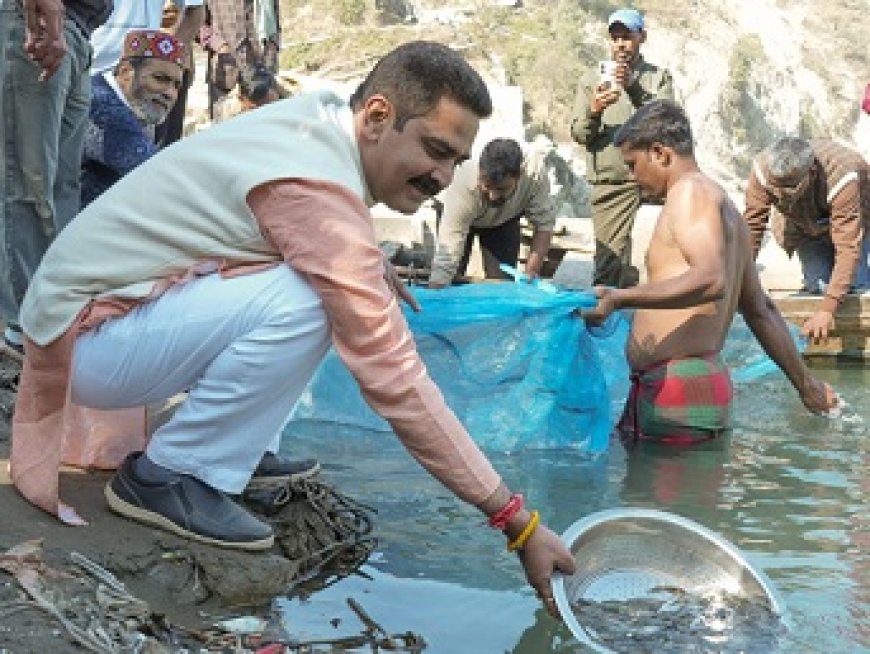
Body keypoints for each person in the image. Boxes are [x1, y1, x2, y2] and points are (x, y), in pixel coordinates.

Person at [11, 40, 575, 614]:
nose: (444, 175)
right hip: (87, 342)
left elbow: (299, 225)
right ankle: (169, 475)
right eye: (435, 150)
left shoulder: (324, 120)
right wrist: (515, 520)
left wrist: (369, 259)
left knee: (325, 281)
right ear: (377, 116)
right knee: (313, 297)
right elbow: (397, 382)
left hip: (98, 323)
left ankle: (238, 450)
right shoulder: (316, 181)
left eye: (456, 160)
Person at [580, 100, 837, 444]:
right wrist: (807, 386)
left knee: (672, 497)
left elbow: (710, 278)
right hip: (691, 389)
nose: (631, 177)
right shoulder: (725, 207)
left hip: (678, 393)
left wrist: (618, 297)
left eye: (633, 164)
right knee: (672, 497)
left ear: (660, 153)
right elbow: (760, 309)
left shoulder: (690, 193)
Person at [0, 0, 112, 361]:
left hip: (77, 27)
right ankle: (21, 327)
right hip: (38, 19)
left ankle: (49, 317)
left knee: (61, 187)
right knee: (27, 182)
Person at [571, 7, 673, 289]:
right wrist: (594, 110)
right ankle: (606, 324)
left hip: (656, 178)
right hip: (613, 179)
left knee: (675, 256)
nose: (620, 44)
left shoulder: (658, 78)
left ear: (642, 37)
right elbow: (579, 134)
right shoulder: (591, 80)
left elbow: (668, 121)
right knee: (608, 263)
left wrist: (634, 88)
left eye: (627, 37)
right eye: (615, 38)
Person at [743, 137, 870, 341]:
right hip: (804, 226)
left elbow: (848, 246)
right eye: (777, 190)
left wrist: (827, 310)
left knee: (856, 288)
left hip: (854, 218)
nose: (782, 196)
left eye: (790, 190)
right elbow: (752, 228)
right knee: (819, 287)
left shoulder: (843, 175)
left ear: (811, 172)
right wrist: (740, 281)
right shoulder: (761, 170)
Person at [428, 138, 555, 287]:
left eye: (501, 189)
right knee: (451, 278)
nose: (493, 196)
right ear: (480, 172)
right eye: (487, 186)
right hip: (459, 211)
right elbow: (447, 255)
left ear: (519, 177)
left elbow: (544, 225)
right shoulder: (463, 178)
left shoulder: (534, 173)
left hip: (504, 219)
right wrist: (435, 295)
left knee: (502, 286)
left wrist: (530, 274)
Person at [81, 29, 186, 207]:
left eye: (177, 85)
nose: (170, 93)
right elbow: (160, 179)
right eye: (160, 78)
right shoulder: (104, 109)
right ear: (126, 72)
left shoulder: (137, 103)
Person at [88, 0, 205, 146]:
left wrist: (167, 60)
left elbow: (195, 9)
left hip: (141, 76)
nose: (171, 93)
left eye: (176, 85)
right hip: (85, 72)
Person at [201, 0, 281, 121]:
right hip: (227, 73)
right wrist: (219, 46)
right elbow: (196, 20)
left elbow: (275, 19)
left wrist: (274, 44)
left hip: (265, 70)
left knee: (268, 130)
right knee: (226, 134)